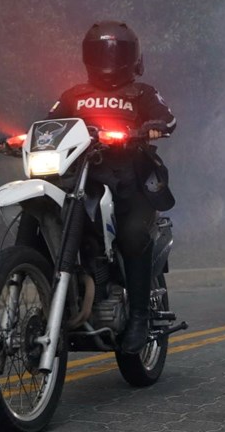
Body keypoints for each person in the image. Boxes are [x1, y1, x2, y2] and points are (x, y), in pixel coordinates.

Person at [46, 20, 176, 353]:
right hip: (82, 178)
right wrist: (23, 138)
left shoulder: (143, 93)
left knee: (133, 234)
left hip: (131, 181)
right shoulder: (74, 95)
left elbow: (168, 118)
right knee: (53, 217)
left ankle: (139, 317)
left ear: (132, 57)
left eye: (116, 52)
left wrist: (154, 126)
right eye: (100, 52)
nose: (108, 59)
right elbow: (48, 125)